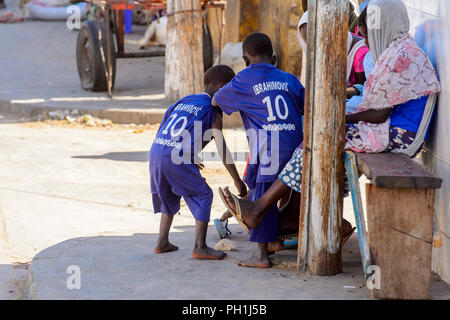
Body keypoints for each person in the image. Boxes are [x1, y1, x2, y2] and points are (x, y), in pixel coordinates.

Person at [219, 0, 441, 258]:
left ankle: (261, 209)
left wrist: (336, 117)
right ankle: (292, 215)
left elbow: (380, 113)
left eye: (368, 36)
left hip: (399, 136)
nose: (366, 43)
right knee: (319, 139)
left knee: (319, 138)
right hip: (393, 129)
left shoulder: (400, 56)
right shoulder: (399, 50)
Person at [212, 33, 305, 268]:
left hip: (270, 152)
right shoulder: (290, 79)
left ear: (245, 60)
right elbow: (306, 105)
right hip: (297, 147)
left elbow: (217, 100)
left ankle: (261, 254)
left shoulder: (243, 80)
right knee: (257, 176)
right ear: (274, 58)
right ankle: (275, 240)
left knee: (260, 187)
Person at [149, 65, 247, 260]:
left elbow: (165, 127)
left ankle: (162, 242)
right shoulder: (212, 111)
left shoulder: (185, 100)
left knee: (169, 194)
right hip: (175, 155)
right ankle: (200, 246)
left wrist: (188, 154)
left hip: (157, 151)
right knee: (204, 194)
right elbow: (223, 150)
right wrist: (237, 181)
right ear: (221, 87)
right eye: (230, 90)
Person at [297, 10, 368, 90]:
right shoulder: (323, 54)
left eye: (319, 42)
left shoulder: (361, 52)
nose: (317, 50)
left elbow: (362, 90)